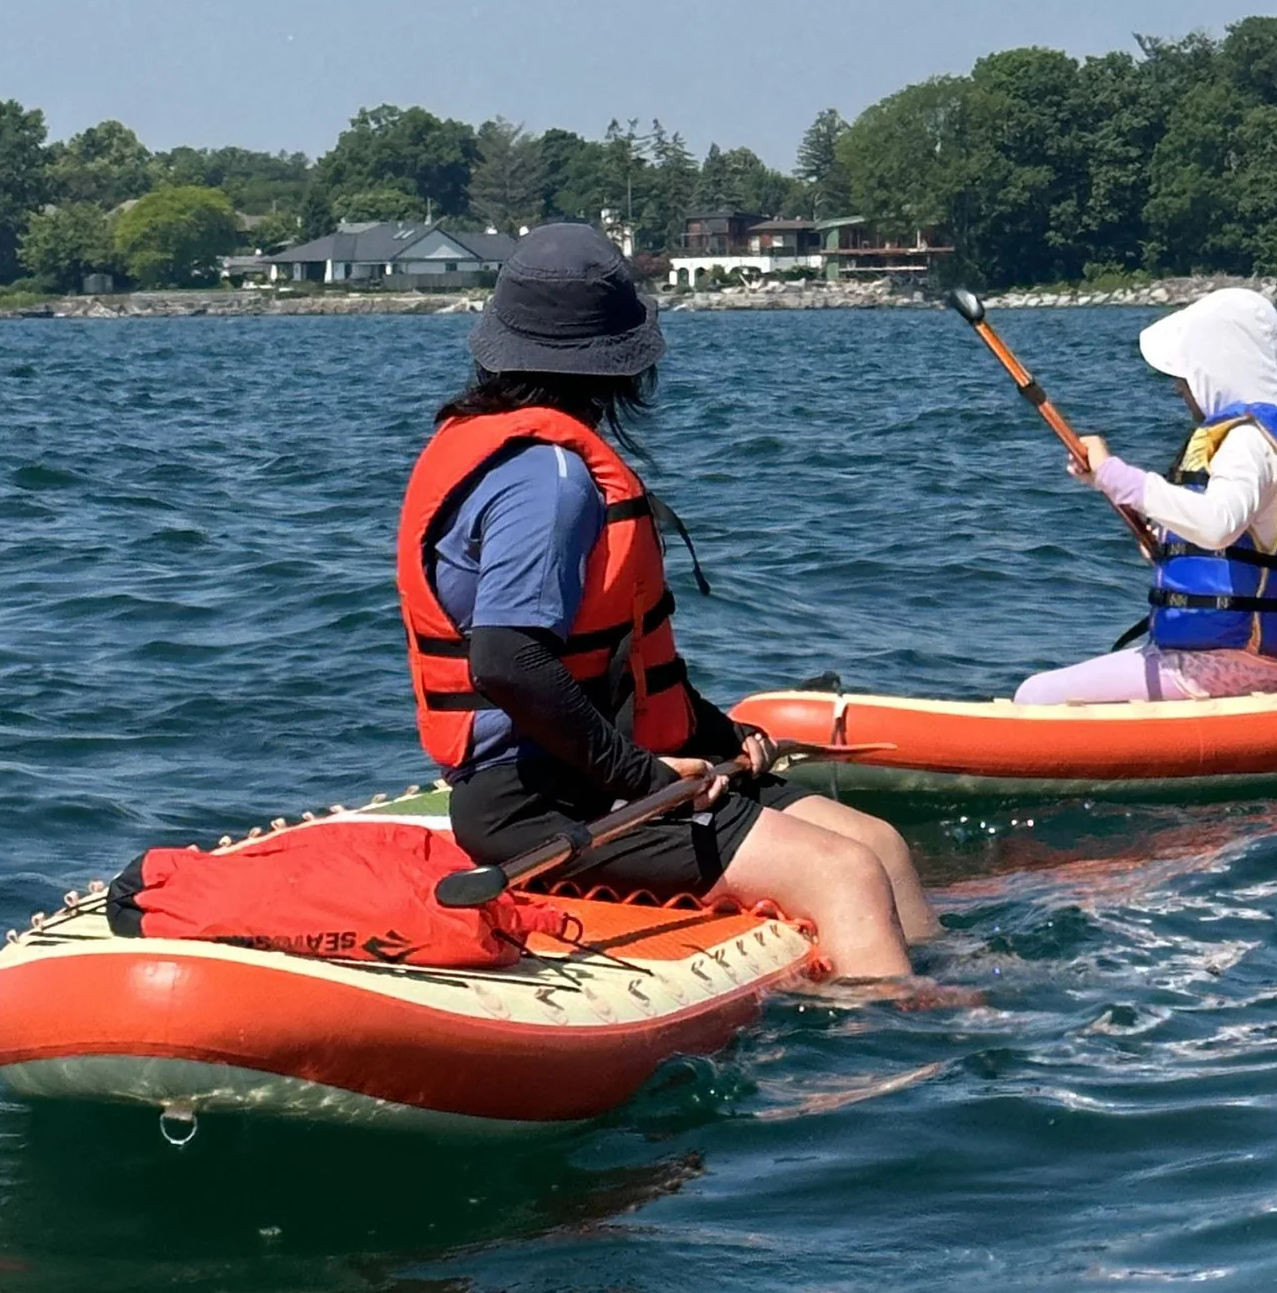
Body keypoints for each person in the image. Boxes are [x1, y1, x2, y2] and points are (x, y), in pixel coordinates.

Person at [397, 222, 932, 979]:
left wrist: (720, 737)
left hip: (589, 777)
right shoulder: (551, 480)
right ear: (620, 366)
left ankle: (943, 996)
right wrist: (646, 780)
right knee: (843, 874)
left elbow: (619, 673)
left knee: (879, 845)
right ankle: (890, 1036)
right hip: (536, 804)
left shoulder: (520, 453)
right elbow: (508, 662)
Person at [1012, 287, 1277, 704]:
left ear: (1217, 367)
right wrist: (1168, 541)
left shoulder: (1248, 441)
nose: (1178, 389)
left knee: (1033, 695)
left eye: (1185, 375)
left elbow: (1217, 525)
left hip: (1216, 669)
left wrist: (1114, 476)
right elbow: (1237, 540)